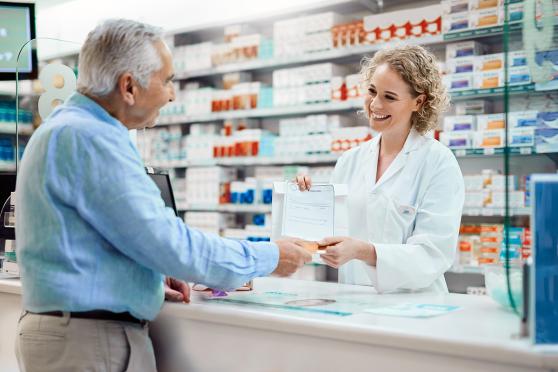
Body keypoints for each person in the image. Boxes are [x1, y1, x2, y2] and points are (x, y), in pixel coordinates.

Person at [15, 19, 311, 372]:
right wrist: (269, 256)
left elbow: (99, 240)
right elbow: (173, 245)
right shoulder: (90, 138)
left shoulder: (67, 128)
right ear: (129, 86)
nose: (172, 94)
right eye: (167, 80)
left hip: (75, 337)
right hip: (89, 344)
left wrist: (146, 276)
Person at [296, 45, 464, 294]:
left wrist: (365, 251)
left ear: (418, 102)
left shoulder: (438, 162)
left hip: (414, 309)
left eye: (390, 97)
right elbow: (326, 238)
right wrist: (306, 201)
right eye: (372, 91)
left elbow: (433, 255)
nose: (375, 104)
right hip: (352, 300)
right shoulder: (350, 160)